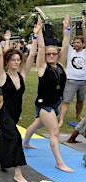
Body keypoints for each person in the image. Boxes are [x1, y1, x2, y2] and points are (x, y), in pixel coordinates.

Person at [0, 20, 38, 182]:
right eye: (12, 60)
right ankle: (18, 173)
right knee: (14, 137)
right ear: (7, 62)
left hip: (16, 114)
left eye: (17, 60)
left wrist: (36, 36)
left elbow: (32, 56)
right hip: (5, 113)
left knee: (3, 135)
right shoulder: (2, 76)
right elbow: (0, 55)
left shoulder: (22, 75)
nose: (16, 62)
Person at [23, 15, 74, 173]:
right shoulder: (42, 67)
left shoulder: (60, 64)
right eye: (48, 54)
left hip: (55, 103)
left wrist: (66, 28)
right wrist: (38, 34)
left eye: (54, 53)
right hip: (45, 104)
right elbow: (42, 49)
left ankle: (25, 142)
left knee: (37, 124)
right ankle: (59, 162)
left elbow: (65, 46)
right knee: (55, 131)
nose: (51, 55)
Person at [57, 30, 86, 127]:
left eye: (78, 42)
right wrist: (66, 28)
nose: (75, 44)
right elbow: (65, 41)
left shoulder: (85, 52)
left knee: (81, 100)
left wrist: (84, 26)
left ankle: (78, 115)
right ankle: (61, 119)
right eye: (74, 42)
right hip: (71, 80)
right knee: (66, 101)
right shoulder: (70, 51)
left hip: (83, 81)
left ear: (83, 44)